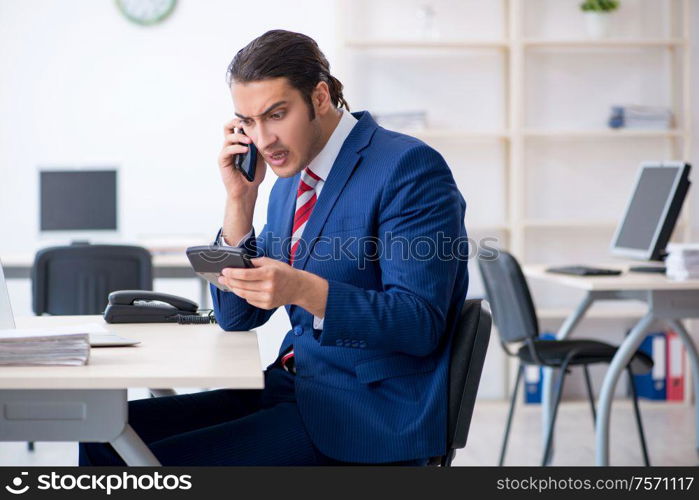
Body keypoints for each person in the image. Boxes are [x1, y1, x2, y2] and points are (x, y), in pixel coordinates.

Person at [80, 29, 468, 466]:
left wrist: (303, 289)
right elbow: (237, 316)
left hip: (366, 413)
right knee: (101, 436)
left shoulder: (407, 168)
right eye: (247, 122)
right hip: (295, 386)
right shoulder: (288, 182)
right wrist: (239, 201)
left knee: (141, 462)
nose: (262, 140)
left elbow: (420, 323)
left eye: (276, 115)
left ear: (319, 97)